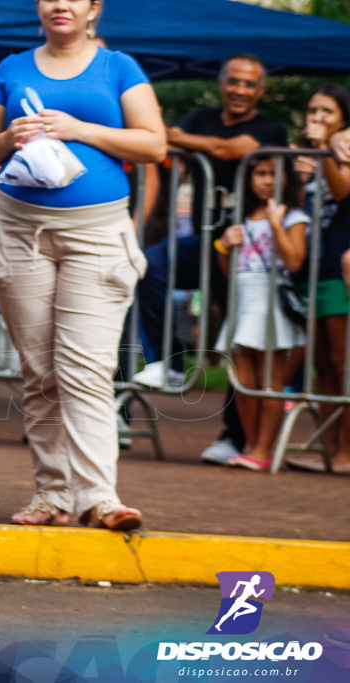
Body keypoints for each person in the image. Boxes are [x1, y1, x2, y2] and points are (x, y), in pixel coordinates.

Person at [0, 0, 165, 530]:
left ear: (93, 7)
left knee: (85, 369)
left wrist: (77, 128)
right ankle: (52, 495)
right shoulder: (10, 67)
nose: (60, 4)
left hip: (97, 235)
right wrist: (9, 138)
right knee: (40, 372)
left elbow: (153, 143)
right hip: (16, 231)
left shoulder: (118, 66)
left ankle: (99, 497)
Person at [136, 53, 288, 467]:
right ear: (221, 82)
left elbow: (229, 147)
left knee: (241, 342)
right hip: (203, 241)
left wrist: (177, 136)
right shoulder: (200, 116)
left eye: (249, 83)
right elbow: (162, 142)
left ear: (261, 89)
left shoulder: (269, 127)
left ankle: (234, 437)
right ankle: (169, 362)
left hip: (248, 248)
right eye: (233, 81)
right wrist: (175, 136)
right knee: (147, 266)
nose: (239, 89)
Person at [215, 156, 307, 471]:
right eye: (260, 174)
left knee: (272, 378)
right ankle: (253, 444)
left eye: (273, 174)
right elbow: (229, 270)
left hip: (271, 300)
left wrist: (276, 223)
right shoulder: (243, 215)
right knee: (243, 378)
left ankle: (265, 447)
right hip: (243, 300)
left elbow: (294, 261)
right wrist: (223, 246)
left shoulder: (293, 216)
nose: (266, 181)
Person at [286, 84, 350, 475]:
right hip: (312, 266)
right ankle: (331, 447)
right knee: (323, 364)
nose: (318, 117)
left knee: (345, 363)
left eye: (327, 111)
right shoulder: (303, 153)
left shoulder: (341, 149)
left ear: (343, 117)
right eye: (313, 110)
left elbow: (341, 191)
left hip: (339, 268)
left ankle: (348, 451)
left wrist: (326, 147)